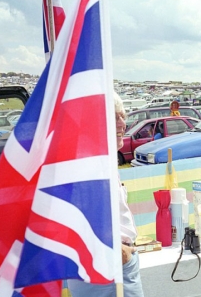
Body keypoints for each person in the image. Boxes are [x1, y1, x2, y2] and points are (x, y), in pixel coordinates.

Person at [68, 92, 144, 297]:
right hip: (109, 268)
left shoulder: (98, 160)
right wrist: (120, 252)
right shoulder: (91, 164)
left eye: (123, 116)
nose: (122, 124)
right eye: (113, 117)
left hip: (110, 265)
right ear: (94, 123)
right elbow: (80, 219)